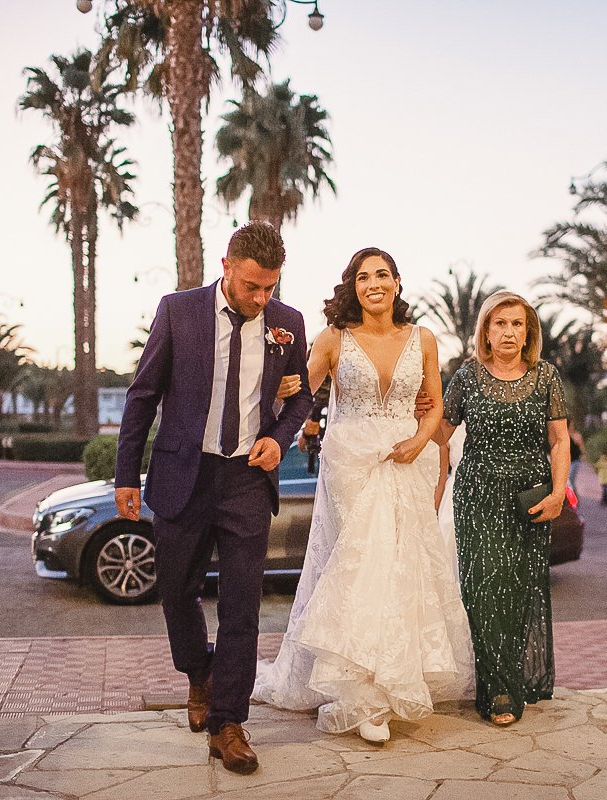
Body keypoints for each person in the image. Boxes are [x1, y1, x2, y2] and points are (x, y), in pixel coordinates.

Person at [114, 222, 313, 775]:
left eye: (270, 287)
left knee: (242, 604)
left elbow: (302, 398)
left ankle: (230, 720)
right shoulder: (178, 311)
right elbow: (143, 394)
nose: (261, 298)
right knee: (177, 590)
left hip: (248, 477)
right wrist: (125, 474)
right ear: (226, 266)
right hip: (184, 472)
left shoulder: (287, 323)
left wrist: (278, 437)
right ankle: (198, 675)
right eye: (252, 286)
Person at [253, 247, 473, 744]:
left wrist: (419, 441)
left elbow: (435, 405)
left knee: (402, 568)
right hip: (351, 463)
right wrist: (285, 385)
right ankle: (359, 693)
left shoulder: (424, 339)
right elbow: (302, 394)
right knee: (357, 566)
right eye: (363, 276)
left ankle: (391, 684)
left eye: (382, 274)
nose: (373, 283)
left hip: (407, 457)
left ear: (396, 282)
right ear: (353, 286)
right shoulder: (335, 338)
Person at [440, 290, 570, 727]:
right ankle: (497, 688)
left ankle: (506, 684)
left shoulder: (546, 376)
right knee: (482, 587)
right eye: (500, 324)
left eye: (517, 324)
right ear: (486, 331)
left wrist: (558, 492)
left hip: (529, 497)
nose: (509, 332)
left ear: (528, 331)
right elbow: (439, 432)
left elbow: (559, 440)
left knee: (518, 590)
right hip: (477, 496)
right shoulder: (467, 377)